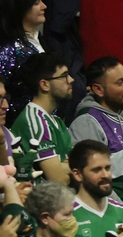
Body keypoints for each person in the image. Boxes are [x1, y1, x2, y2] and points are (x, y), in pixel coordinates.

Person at [69, 58, 123, 209]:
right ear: (98, 90)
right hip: (116, 214)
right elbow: (95, 181)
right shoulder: (87, 122)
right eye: (120, 82)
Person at [11, 54, 76, 186]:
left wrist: (64, 168)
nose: (71, 80)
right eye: (64, 76)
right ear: (45, 84)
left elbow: (76, 164)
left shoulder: (56, 121)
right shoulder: (35, 122)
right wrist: (66, 169)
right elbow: (59, 181)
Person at [68, 140, 123, 237]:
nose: (106, 175)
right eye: (97, 170)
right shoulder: (67, 216)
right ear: (78, 174)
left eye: (107, 168)